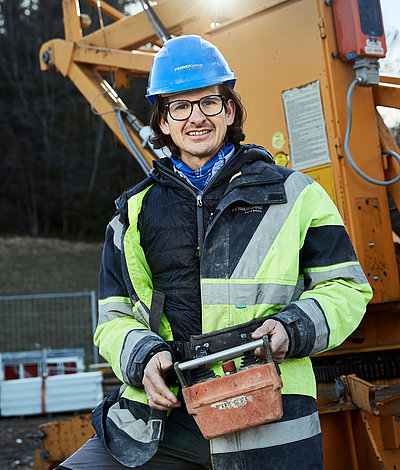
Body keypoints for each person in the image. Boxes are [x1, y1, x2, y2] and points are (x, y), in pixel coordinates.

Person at [57, 35, 372, 470]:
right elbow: (113, 318)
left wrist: (291, 327)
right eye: (179, 107)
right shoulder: (132, 213)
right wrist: (145, 355)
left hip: (266, 414)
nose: (196, 117)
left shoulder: (296, 195)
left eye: (208, 102)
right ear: (163, 122)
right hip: (162, 421)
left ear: (228, 110)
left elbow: (347, 288)